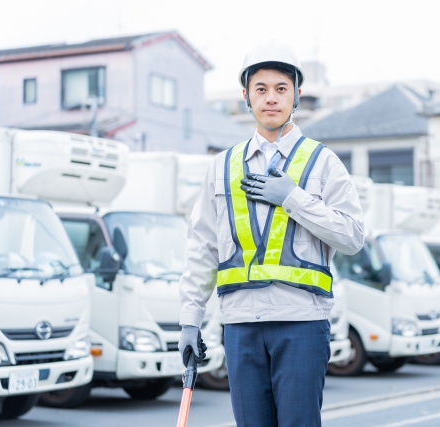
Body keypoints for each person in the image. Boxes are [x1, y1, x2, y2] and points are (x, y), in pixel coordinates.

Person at [178, 40, 364, 427]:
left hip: (301, 323)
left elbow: (352, 236)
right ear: (246, 96)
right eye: (260, 89)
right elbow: (202, 247)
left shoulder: (323, 163)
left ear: (296, 95)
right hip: (241, 325)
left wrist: (293, 197)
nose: (271, 98)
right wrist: (190, 320)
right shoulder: (222, 166)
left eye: (281, 88)